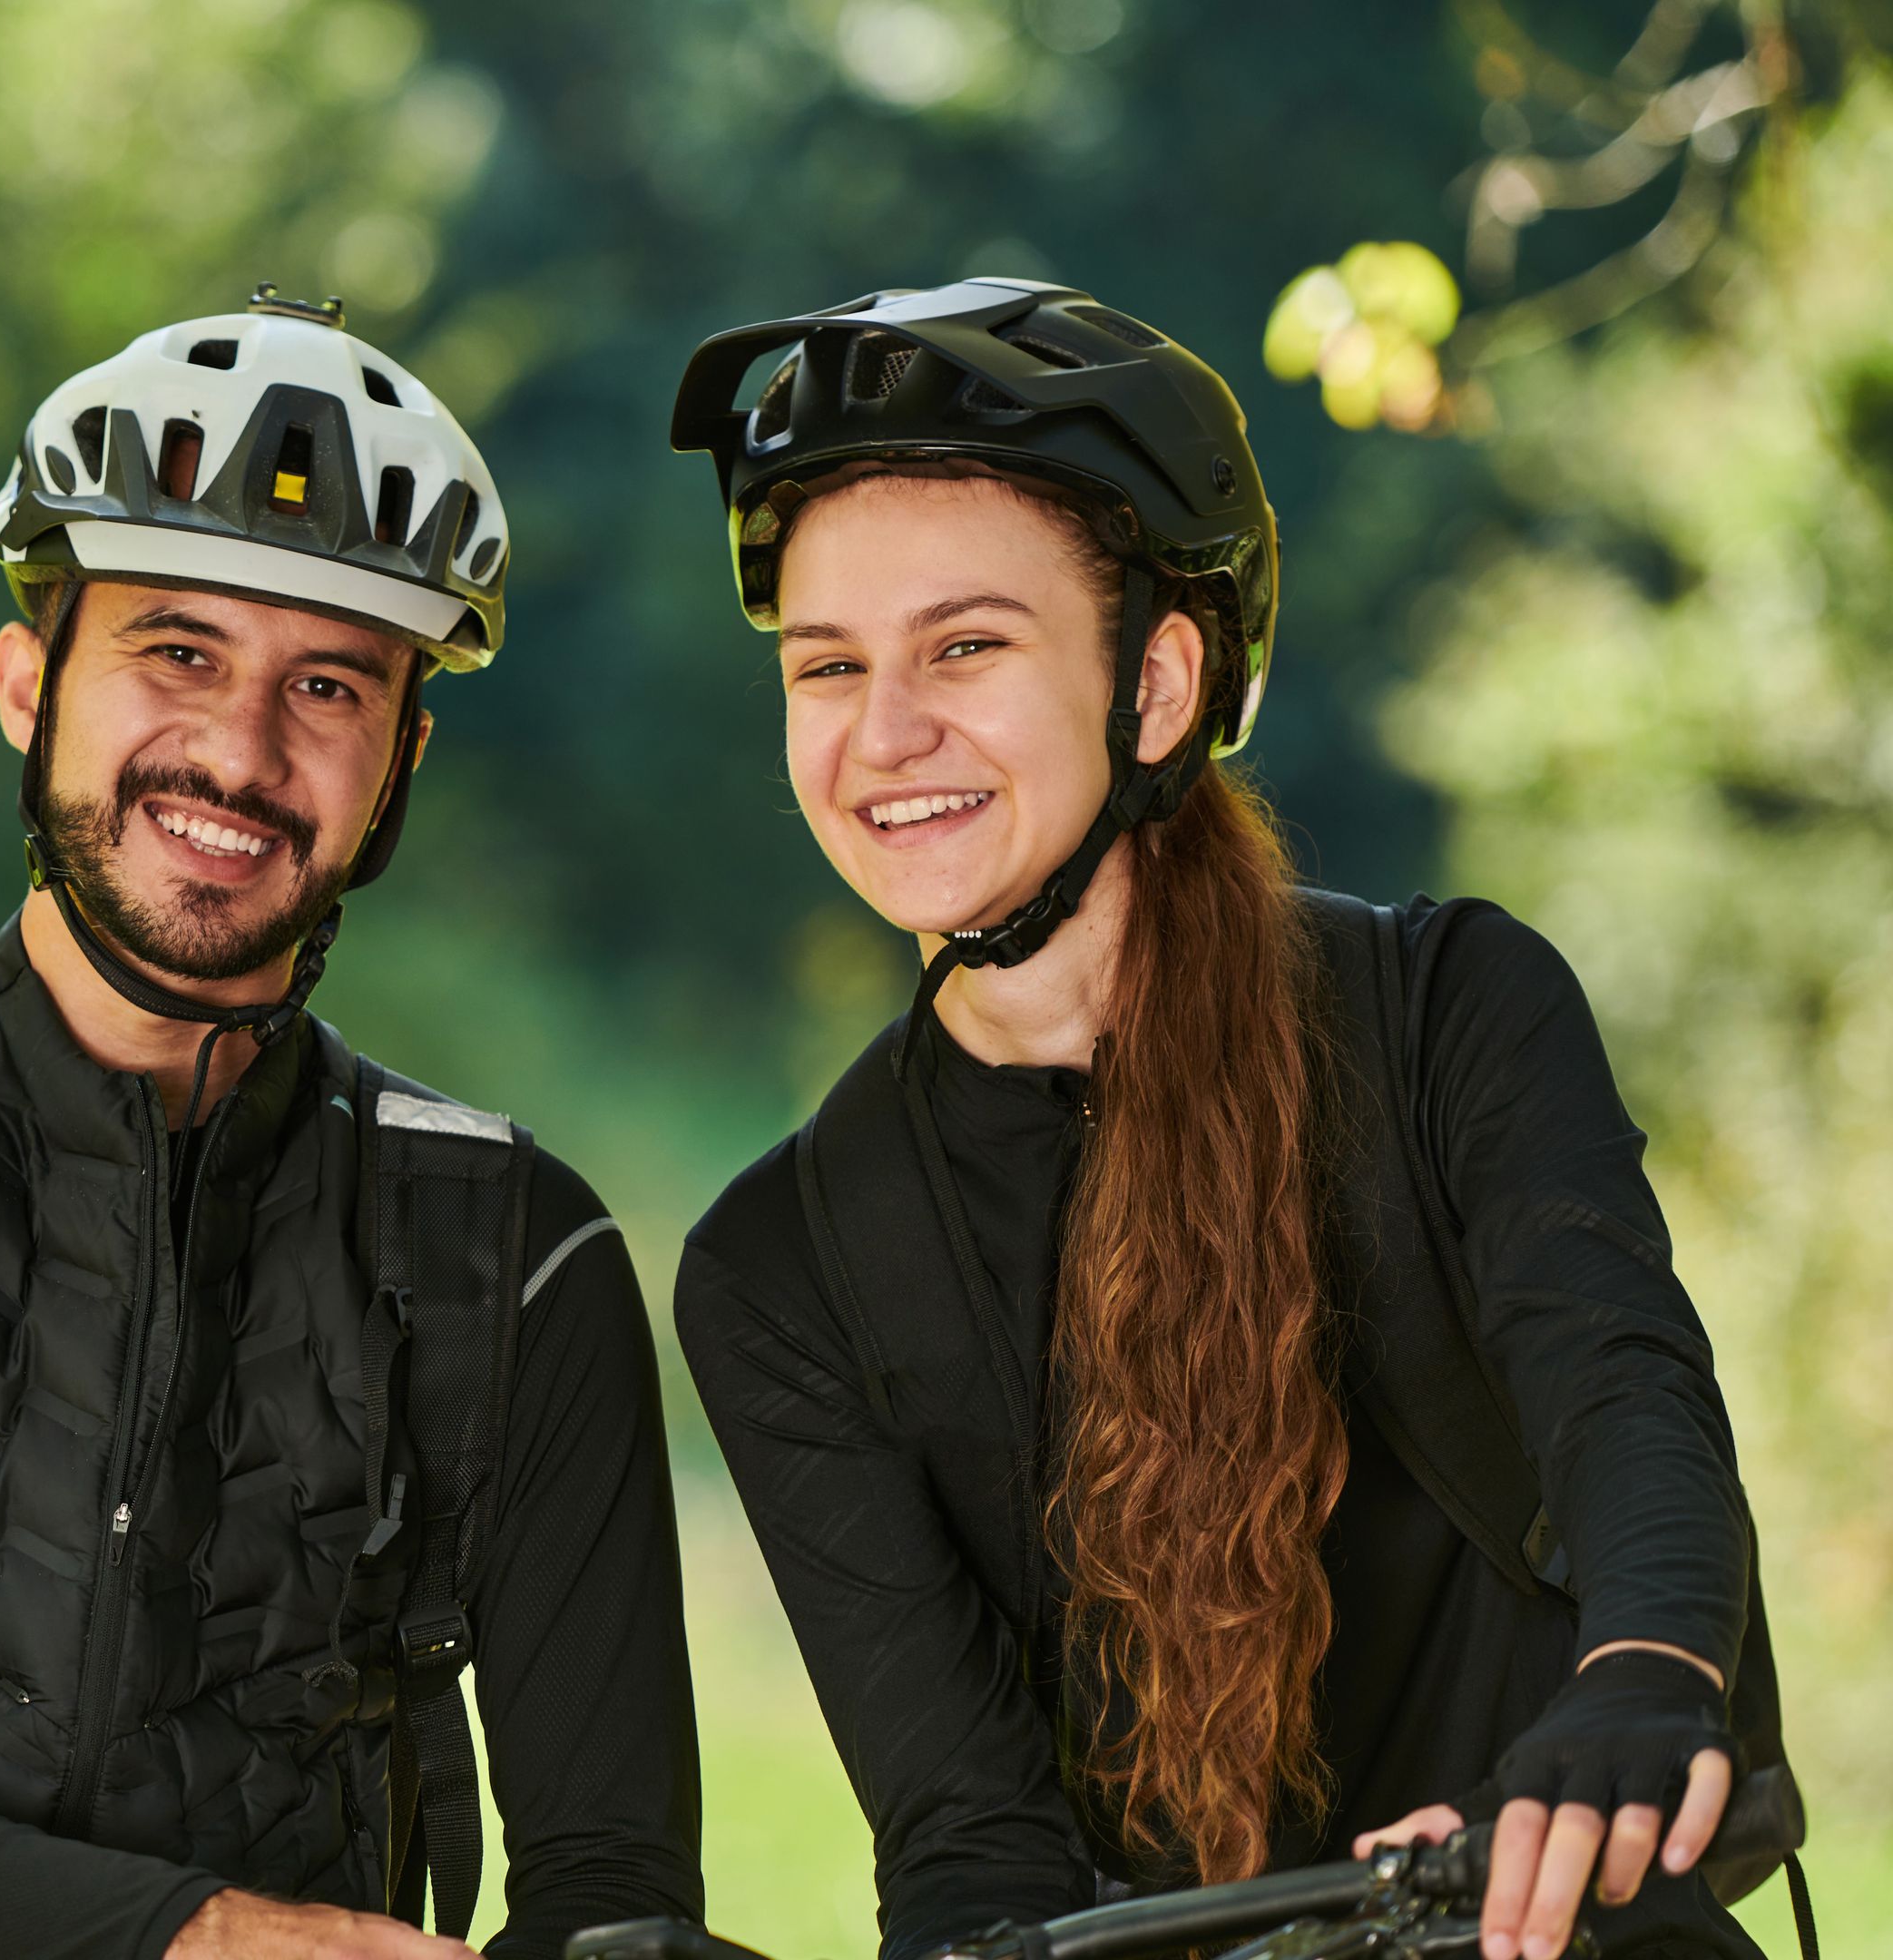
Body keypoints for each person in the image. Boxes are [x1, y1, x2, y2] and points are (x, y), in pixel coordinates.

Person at [659, 279, 1790, 1960]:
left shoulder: (1445, 1016)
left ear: (1159, 682)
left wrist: (1638, 1689)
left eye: (966, 644)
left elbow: (1622, 1397)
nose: (883, 733)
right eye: (830, 666)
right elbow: (969, 1843)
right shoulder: (786, 1270)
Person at [0, 288, 701, 1960]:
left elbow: (612, 1891)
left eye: (330, 686)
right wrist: (212, 1941)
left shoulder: (518, 1258)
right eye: (177, 649)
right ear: (31, 686)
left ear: (400, 761)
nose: (240, 750)